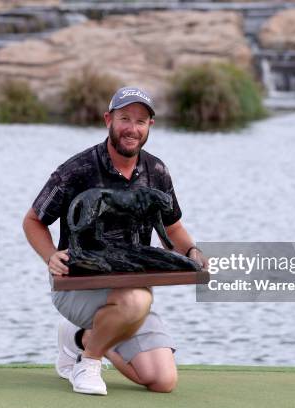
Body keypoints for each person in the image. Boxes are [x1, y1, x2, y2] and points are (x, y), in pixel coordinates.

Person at [22, 86, 207, 395]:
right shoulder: (77, 169)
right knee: (137, 299)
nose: (132, 129)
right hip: (79, 286)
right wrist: (50, 255)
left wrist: (192, 251)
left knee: (163, 381)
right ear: (108, 119)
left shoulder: (157, 171)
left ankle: (80, 339)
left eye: (140, 121)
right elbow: (33, 221)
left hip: (131, 291)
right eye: (124, 118)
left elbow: (172, 229)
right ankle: (89, 362)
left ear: (150, 126)